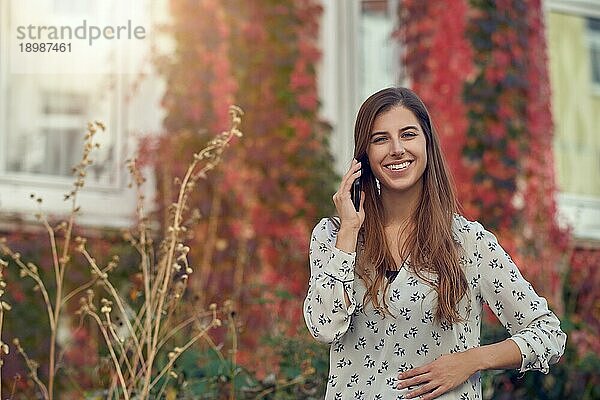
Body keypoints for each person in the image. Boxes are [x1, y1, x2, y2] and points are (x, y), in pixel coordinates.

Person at [303, 87, 566, 400]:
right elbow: (324, 327)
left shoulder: (470, 243)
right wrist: (349, 230)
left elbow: (548, 334)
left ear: (427, 142)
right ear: (364, 156)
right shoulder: (333, 236)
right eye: (380, 139)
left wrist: (472, 360)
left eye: (408, 134)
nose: (396, 149)